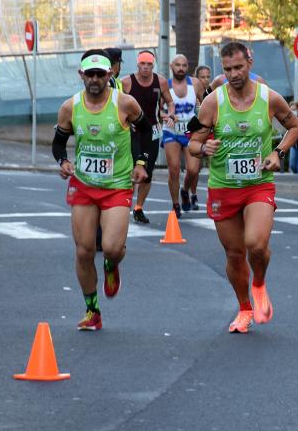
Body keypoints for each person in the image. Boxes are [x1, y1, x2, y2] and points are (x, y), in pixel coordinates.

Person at [188, 41, 298, 334]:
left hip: (258, 184)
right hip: (223, 187)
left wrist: (279, 152)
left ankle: (259, 284)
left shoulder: (269, 98)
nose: (234, 74)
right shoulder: (213, 102)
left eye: (238, 67)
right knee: (235, 255)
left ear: (249, 63)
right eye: (227, 70)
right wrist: (204, 147)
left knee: (256, 245)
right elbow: (193, 143)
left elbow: (295, 126)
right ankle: (244, 308)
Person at [51, 50, 149, 331]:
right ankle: (92, 310)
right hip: (84, 185)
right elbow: (58, 143)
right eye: (89, 74)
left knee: (112, 248)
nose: (95, 80)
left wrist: (141, 163)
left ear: (110, 75)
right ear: (81, 75)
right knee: (83, 252)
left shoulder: (125, 103)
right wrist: (64, 161)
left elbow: (146, 130)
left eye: (100, 74)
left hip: (117, 185)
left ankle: (111, 265)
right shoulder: (71, 107)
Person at [122, 50, 175, 224]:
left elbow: (170, 102)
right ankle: (123, 207)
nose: (145, 67)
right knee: (132, 169)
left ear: (153, 65)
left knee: (147, 173)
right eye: (142, 64)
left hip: (152, 131)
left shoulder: (160, 82)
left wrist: (171, 115)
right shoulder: (127, 82)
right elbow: (117, 104)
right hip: (133, 131)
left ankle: (138, 208)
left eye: (149, 64)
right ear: (137, 64)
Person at [163, 54, 206, 216]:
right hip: (171, 132)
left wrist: (202, 120)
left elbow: (206, 103)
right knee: (173, 170)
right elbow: (158, 110)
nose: (181, 68)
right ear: (171, 67)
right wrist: (165, 116)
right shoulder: (164, 86)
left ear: (187, 67)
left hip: (190, 132)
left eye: (184, 65)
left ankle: (185, 190)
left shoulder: (195, 84)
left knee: (193, 170)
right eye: (177, 65)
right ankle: (175, 205)